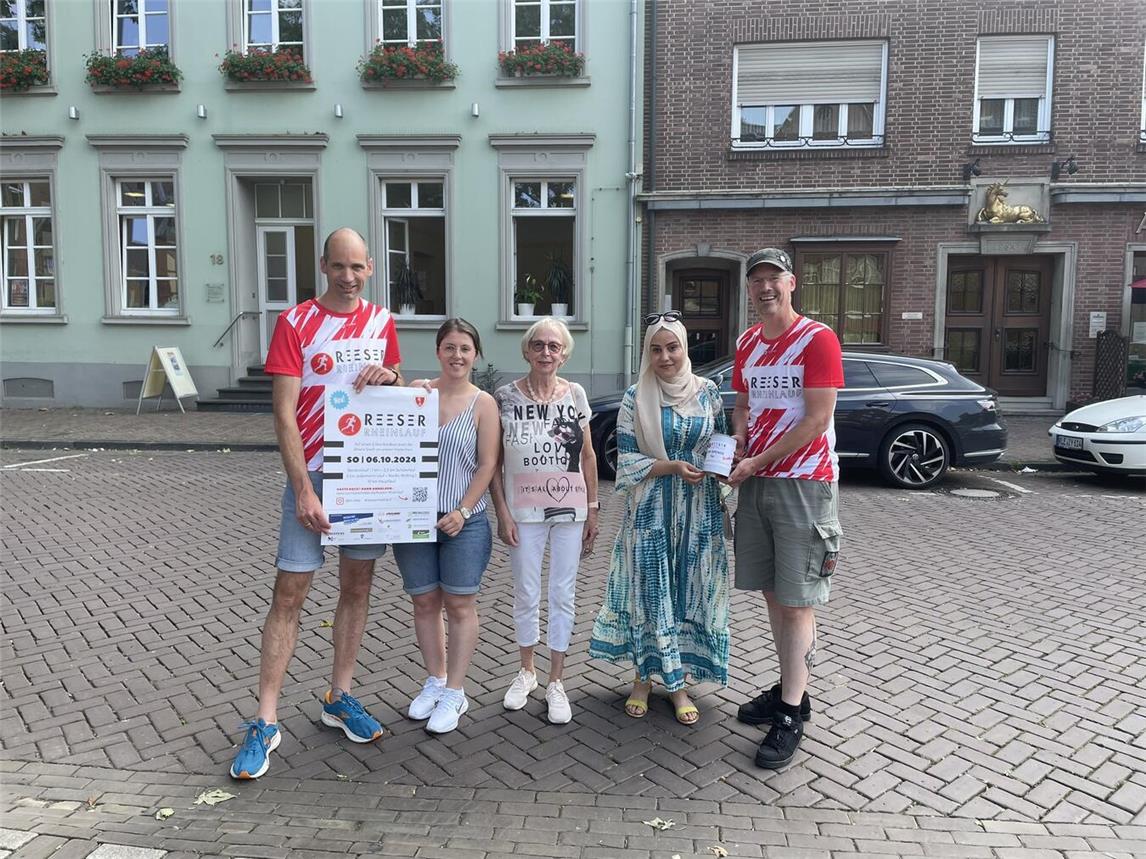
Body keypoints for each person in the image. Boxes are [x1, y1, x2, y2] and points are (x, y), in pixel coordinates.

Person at [229, 227, 403, 780]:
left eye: (357, 268)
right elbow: (283, 413)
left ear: (370, 268)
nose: (348, 277)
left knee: (357, 587)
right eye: (338, 267)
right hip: (316, 477)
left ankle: (339, 695)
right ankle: (265, 718)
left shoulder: (382, 323)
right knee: (290, 591)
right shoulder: (295, 322)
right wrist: (302, 487)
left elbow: (393, 387)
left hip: (366, 476)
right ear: (323, 266)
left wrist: (391, 374)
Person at [726, 247, 844, 770]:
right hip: (757, 483)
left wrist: (756, 461)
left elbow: (816, 420)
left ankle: (791, 712)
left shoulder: (817, 339)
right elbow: (744, 404)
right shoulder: (748, 341)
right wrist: (737, 444)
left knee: (798, 601)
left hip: (803, 484)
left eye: (774, 278)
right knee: (775, 594)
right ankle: (789, 690)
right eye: (757, 281)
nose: (765, 288)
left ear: (792, 283)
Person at [588, 312, 730, 724]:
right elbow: (626, 458)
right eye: (656, 349)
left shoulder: (709, 393)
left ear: (685, 348)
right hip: (650, 510)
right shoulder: (636, 396)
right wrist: (671, 467)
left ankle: (679, 681)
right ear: (647, 353)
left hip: (698, 510)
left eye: (672, 347)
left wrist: (722, 467)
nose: (665, 357)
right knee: (650, 591)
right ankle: (642, 678)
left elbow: (720, 442)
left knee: (687, 589)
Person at [490, 317, 599, 724]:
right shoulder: (504, 397)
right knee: (525, 590)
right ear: (526, 350)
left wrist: (593, 508)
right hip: (523, 510)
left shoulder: (576, 395)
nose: (546, 353)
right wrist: (501, 511)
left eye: (554, 346)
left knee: (563, 592)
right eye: (539, 345)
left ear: (564, 353)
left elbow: (588, 456)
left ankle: (557, 680)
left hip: (570, 509)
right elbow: (494, 462)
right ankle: (526, 671)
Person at [393, 319, 499, 735]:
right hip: (413, 519)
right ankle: (435, 680)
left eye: (465, 349)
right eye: (450, 347)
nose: (457, 356)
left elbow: (489, 463)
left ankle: (456, 690)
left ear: (476, 355)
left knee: (458, 605)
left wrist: (463, 509)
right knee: (423, 602)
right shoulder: (417, 395)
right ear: (438, 351)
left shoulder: (483, 403)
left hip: (463, 522)